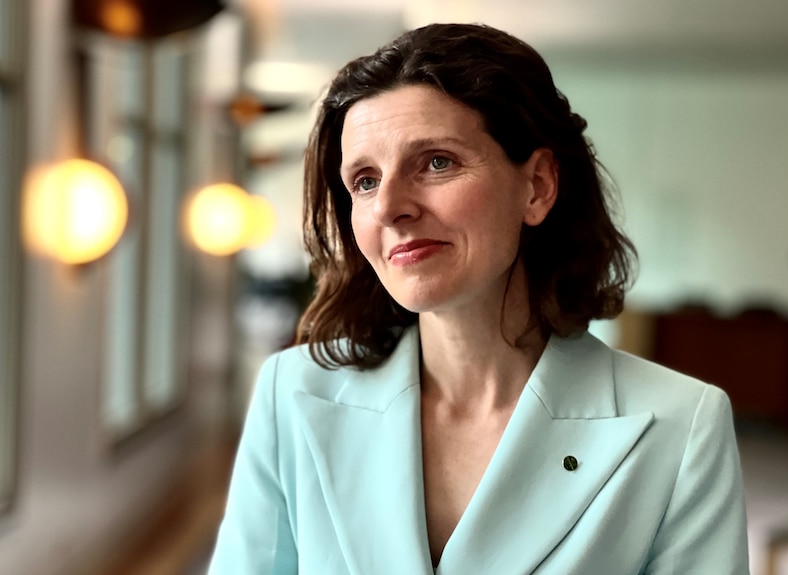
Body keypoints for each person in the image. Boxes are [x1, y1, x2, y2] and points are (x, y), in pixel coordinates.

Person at [208, 22, 750, 574]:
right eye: (365, 180)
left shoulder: (681, 427)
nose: (390, 206)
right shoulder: (291, 393)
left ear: (537, 186)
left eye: (436, 162)